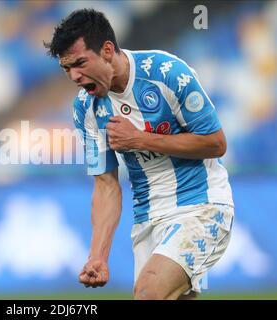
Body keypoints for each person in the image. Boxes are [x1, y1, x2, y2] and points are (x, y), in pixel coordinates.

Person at [44, 8, 234, 300]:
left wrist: (141, 139)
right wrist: (98, 255)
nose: (74, 76)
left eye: (80, 63)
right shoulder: (86, 109)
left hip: (201, 206)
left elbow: (215, 143)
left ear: (107, 50)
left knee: (147, 293)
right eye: (66, 68)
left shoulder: (167, 73)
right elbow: (105, 184)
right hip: (147, 220)